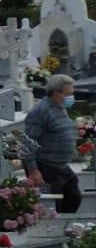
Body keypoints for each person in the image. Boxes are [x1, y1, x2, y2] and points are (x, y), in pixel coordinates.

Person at [22, 73, 83, 214]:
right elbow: (27, 141)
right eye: (68, 93)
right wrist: (33, 170)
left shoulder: (60, 107)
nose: (71, 97)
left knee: (73, 196)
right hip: (46, 166)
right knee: (54, 204)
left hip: (60, 166)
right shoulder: (41, 111)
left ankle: (65, 226)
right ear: (56, 93)